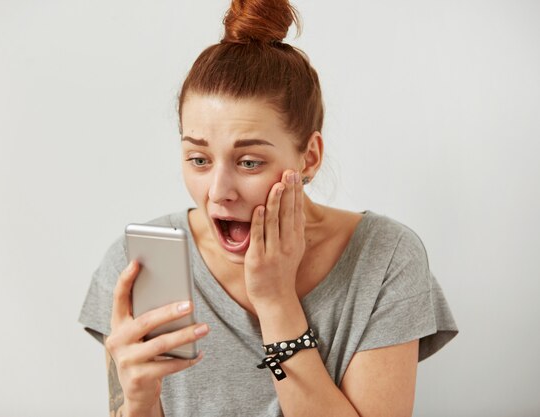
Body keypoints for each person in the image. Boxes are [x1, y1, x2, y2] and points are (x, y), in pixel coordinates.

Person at [78, 1, 458, 416]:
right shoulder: (136, 264)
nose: (218, 192)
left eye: (249, 162)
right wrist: (137, 402)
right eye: (199, 160)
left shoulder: (384, 257)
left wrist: (276, 300)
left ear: (309, 157)